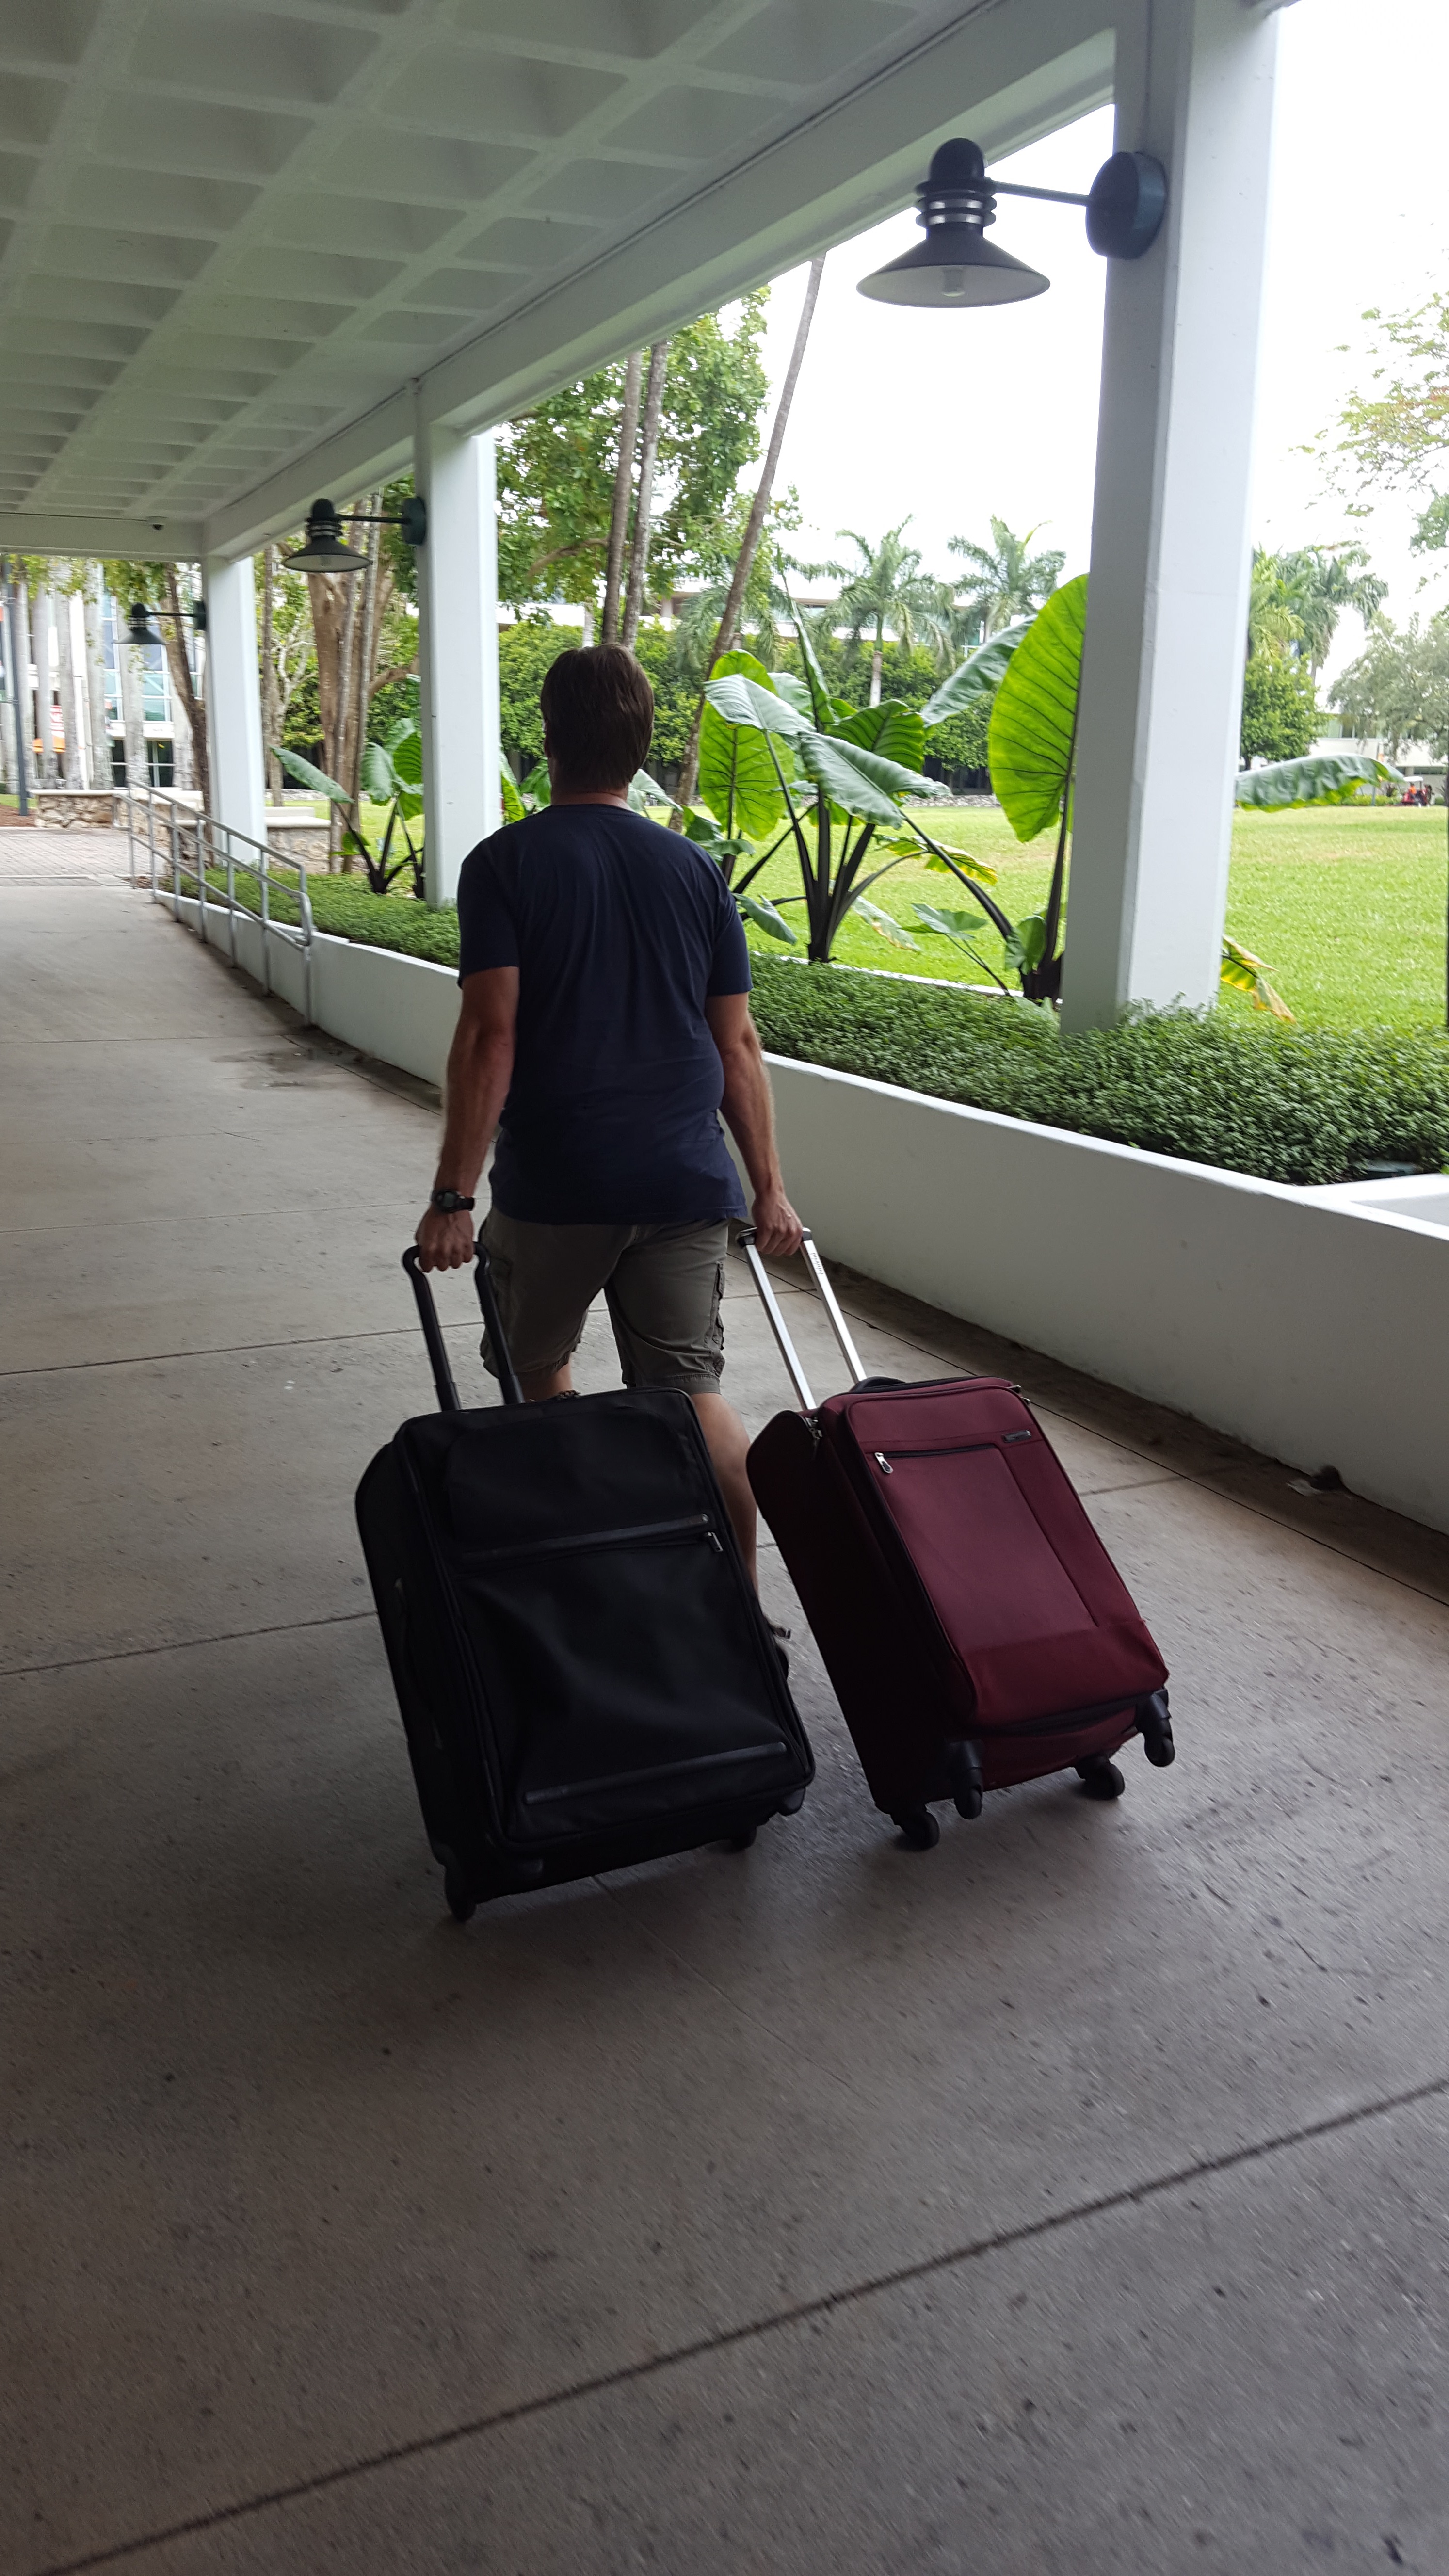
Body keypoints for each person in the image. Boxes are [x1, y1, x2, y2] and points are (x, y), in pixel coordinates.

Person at [414, 643, 804, 1583]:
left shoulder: (504, 864)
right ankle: (740, 1613)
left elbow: (490, 1037)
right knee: (693, 1394)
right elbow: (738, 1047)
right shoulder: (696, 871)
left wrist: (453, 1198)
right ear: (643, 747)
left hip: (561, 1185)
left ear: (548, 740)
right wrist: (770, 1190)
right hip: (686, 1182)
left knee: (538, 1370)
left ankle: (587, 1578)